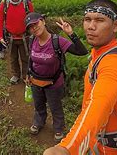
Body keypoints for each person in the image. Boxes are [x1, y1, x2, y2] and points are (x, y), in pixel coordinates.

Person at [43, 0, 117, 155]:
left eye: (99, 20)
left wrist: (68, 148)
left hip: (110, 149)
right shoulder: (100, 52)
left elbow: (99, 105)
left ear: (116, 25)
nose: (91, 27)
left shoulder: (114, 62)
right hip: (98, 142)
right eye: (87, 19)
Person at [25, 12, 88, 142]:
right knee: (39, 105)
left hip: (53, 83)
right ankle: (39, 122)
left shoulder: (57, 41)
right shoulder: (31, 40)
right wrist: (28, 74)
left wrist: (71, 34)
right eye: (30, 27)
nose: (34, 28)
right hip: (36, 81)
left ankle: (59, 128)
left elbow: (82, 52)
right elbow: (31, 59)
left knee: (55, 107)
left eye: (36, 24)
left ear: (43, 21)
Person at [0, 0, 34, 84]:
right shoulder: (4, 5)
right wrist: (0, 37)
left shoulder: (27, 4)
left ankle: (26, 76)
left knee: (25, 57)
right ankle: (15, 75)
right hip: (10, 37)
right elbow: (0, 22)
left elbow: (33, 21)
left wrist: (34, 36)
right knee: (13, 58)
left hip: (25, 37)